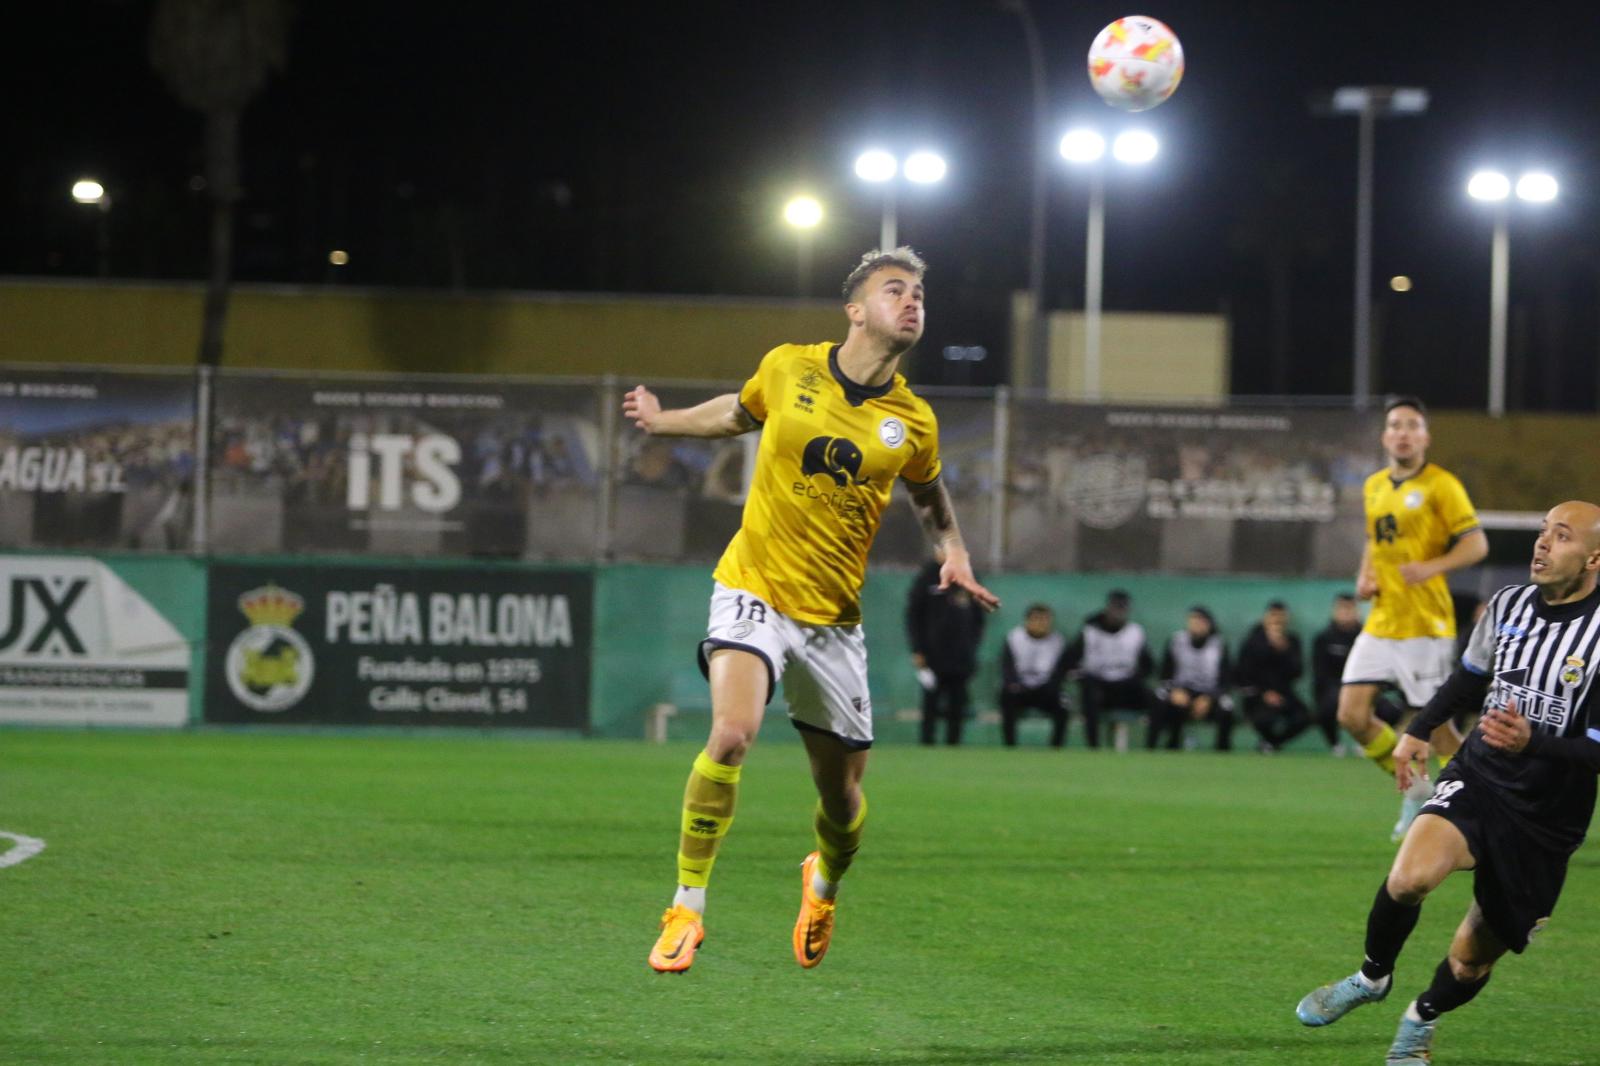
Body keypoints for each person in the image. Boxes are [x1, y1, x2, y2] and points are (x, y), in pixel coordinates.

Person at [624, 247, 999, 974]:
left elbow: (928, 495)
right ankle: (685, 907)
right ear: (856, 310)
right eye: (897, 290)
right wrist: (665, 420)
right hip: (754, 587)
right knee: (732, 734)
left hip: (833, 622)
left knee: (843, 802)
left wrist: (953, 550)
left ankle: (822, 882)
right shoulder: (790, 365)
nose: (914, 301)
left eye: (921, 291)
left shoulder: (912, 420)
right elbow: (737, 412)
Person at [1295, 501, 1600, 1066]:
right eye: (1542, 533)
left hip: (1545, 819)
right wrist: (1419, 729)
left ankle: (1420, 1020)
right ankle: (1371, 977)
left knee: (1468, 962)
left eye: (1561, 537)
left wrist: (1534, 742)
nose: (1542, 545)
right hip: (1481, 776)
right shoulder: (1508, 605)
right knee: (1408, 879)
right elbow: (1470, 678)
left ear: (1593, 558)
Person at [1338, 396, 1489, 840]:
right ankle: (1419, 788)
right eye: (1395, 425)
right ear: (1385, 436)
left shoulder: (1442, 484)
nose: (1402, 432)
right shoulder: (1374, 486)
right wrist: (1364, 575)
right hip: (1383, 620)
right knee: (1351, 715)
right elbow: (1373, 539)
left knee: (1438, 730)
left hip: (1425, 625)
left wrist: (1432, 566)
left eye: (1412, 425)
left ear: (1425, 436)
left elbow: (1476, 544)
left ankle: (1477, 800)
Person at [906, 552, 987, 745]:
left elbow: (978, 618)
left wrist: (971, 645)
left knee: (957, 703)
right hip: (932, 654)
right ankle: (927, 743)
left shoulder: (968, 576)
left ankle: (954, 744)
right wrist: (917, 649)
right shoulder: (926, 577)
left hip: (961, 655)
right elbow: (913, 616)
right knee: (931, 702)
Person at [1312, 593, 1403, 754]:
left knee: (1392, 710)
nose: (1346, 613)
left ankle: (1369, 742)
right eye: (1342, 608)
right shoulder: (1324, 638)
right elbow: (1320, 675)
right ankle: (1335, 745)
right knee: (1326, 708)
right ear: (1335, 610)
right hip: (1335, 689)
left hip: (1368, 688)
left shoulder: (1369, 638)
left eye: (1350, 608)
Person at [1064, 590, 1155, 749]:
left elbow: (1148, 666)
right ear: (1108, 608)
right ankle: (1093, 747)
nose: (1117, 614)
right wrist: (1080, 677)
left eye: (1122, 609)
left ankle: (1153, 748)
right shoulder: (1090, 630)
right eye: (1115, 608)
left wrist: (1136, 678)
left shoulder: (1135, 632)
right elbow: (1070, 661)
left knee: (1157, 701)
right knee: (1089, 694)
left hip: (1125, 687)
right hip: (1099, 687)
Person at [1150, 606, 1233, 751]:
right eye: (1193, 620)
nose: (1196, 624)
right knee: (1160, 699)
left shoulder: (1218, 645)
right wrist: (1174, 691)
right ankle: (1154, 748)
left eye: (1201, 621)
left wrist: (1209, 698)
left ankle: (1222, 751)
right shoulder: (1177, 641)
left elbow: (1226, 681)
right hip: (1181, 691)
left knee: (1227, 708)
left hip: (1208, 693)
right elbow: (1164, 675)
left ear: (1209, 624)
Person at [1235, 601, 1312, 753]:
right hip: (1258, 695)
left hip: (1284, 694)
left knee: (1305, 717)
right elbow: (1243, 674)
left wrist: (1284, 651)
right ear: (1265, 618)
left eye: (1281, 616)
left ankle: (1272, 743)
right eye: (1273, 616)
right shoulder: (1252, 641)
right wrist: (1264, 693)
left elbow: (1297, 672)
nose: (1277, 620)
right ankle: (1270, 743)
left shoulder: (1292, 641)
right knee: (1264, 719)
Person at [999, 604, 1070, 747]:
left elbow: (1060, 671)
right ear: (1027, 620)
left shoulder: (1058, 641)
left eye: (1045, 619)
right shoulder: (1014, 638)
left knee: (1063, 705)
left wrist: (1051, 686)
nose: (1041, 623)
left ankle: (1056, 748)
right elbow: (1007, 667)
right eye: (1036, 619)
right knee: (1007, 697)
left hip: (1045, 690)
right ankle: (1010, 746)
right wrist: (1014, 684)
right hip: (1020, 688)